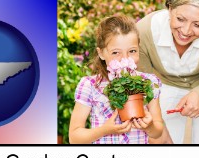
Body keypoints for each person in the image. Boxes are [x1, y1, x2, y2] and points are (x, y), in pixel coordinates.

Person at [137, 0, 199, 144]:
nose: (186, 31)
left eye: (197, 25)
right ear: (170, 9)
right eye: (180, 19)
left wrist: (198, 93)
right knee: (165, 140)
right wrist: (157, 122)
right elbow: (145, 81)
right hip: (162, 85)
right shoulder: (144, 31)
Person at [69, 15, 170, 144]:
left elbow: (158, 130)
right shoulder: (90, 85)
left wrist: (149, 126)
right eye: (116, 52)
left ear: (139, 49)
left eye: (132, 51)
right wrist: (105, 130)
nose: (125, 59)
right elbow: (74, 138)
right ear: (101, 53)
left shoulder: (148, 82)